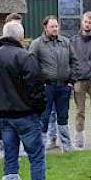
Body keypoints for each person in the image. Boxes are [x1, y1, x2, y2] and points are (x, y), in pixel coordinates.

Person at [0, 21, 64, 180]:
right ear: (20, 37)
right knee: (36, 158)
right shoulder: (25, 57)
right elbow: (36, 88)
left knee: (10, 160)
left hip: (4, 117)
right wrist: (38, 109)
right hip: (25, 115)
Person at [29, 16, 78, 152]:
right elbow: (31, 65)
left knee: (63, 116)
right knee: (44, 116)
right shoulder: (37, 44)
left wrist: (71, 81)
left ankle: (67, 145)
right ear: (45, 27)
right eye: (52, 26)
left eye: (57, 26)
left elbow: (74, 62)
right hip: (46, 86)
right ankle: (41, 146)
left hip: (64, 86)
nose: (55, 29)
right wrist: (39, 83)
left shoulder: (66, 42)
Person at [70, 11, 91, 149]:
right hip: (79, 80)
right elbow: (70, 60)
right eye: (85, 21)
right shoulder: (73, 40)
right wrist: (72, 77)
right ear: (81, 22)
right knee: (79, 111)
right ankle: (79, 140)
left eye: (90, 22)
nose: (87, 24)